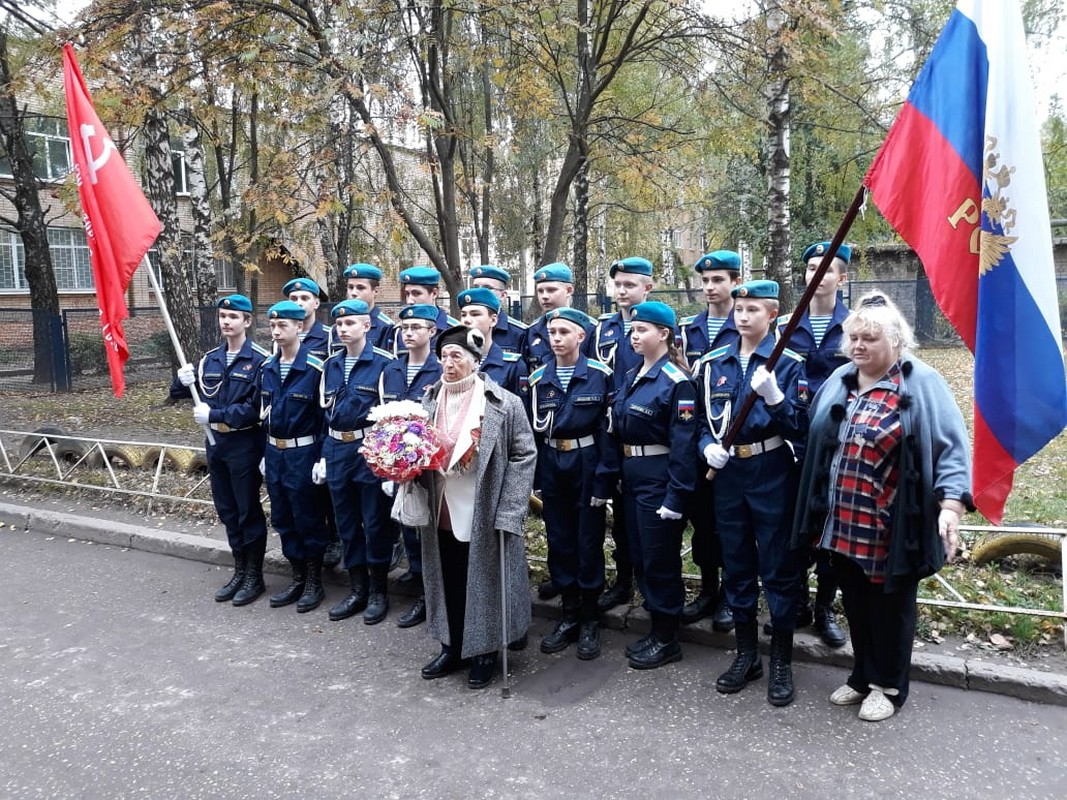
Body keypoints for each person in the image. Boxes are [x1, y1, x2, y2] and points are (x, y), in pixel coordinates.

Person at [792, 291, 972, 721]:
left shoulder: (921, 382)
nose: (858, 346)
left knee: (890, 607)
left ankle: (889, 686)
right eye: (853, 337)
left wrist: (950, 506)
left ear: (896, 340)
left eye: (869, 338)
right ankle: (861, 676)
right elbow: (816, 443)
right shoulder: (840, 380)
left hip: (892, 525)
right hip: (841, 522)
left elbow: (952, 449)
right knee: (854, 601)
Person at [695, 279, 808, 706]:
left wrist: (776, 398)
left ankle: (780, 659)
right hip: (728, 477)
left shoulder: (789, 363)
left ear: (772, 314)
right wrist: (706, 447)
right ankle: (746, 654)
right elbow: (701, 424)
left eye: (753, 310)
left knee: (777, 566)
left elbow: (801, 428)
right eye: (739, 310)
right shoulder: (712, 363)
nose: (742, 317)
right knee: (737, 563)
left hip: (771, 471)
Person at [416, 325, 537, 689]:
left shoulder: (503, 402)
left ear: (475, 361)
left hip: (484, 508)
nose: (448, 364)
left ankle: (484, 651)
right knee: (447, 576)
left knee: (482, 579)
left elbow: (524, 455)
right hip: (440, 506)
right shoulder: (427, 401)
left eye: (457, 357)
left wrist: (511, 510)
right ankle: (451, 646)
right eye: (444, 357)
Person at [775, 240, 854, 648]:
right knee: (792, 524)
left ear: (843, 278)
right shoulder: (785, 324)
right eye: (809, 268)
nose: (816, 276)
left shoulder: (856, 326)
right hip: (792, 439)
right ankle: (796, 602)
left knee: (830, 524)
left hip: (838, 441)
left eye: (826, 269)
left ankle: (825, 606)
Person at [611, 301, 697, 670]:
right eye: (632, 330)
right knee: (642, 556)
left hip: (659, 477)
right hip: (632, 475)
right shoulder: (632, 376)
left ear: (664, 334)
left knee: (660, 559)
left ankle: (667, 637)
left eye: (642, 330)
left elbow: (684, 445)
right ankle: (656, 627)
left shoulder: (677, 382)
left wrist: (677, 494)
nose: (634, 336)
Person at [529, 307, 616, 660]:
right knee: (559, 538)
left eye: (565, 332)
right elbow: (531, 435)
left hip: (587, 462)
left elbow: (608, 432)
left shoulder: (600, 375)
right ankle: (568, 614)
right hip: (552, 462)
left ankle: (590, 617)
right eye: (552, 332)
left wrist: (604, 479)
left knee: (588, 539)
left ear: (581, 336)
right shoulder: (537, 379)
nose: (556, 338)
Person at [174, 294, 270, 606]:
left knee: (247, 510)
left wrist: (215, 415)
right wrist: (180, 380)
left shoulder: (260, 360)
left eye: (233, 317)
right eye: (222, 317)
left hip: (244, 443)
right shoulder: (210, 360)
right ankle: (239, 569)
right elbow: (186, 392)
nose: (226, 322)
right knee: (227, 510)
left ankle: (255, 576)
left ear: (247, 321)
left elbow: (255, 409)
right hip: (216, 445)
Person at [314, 299, 403, 625]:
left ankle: (379, 592)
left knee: (375, 522)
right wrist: (324, 456)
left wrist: (390, 464)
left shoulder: (384, 364)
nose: (343, 329)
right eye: (339, 324)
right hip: (337, 449)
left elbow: (393, 418)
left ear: (367, 326)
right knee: (347, 524)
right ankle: (358, 589)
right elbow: (326, 415)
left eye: (350, 323)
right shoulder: (330, 366)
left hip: (369, 448)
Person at [520, 261, 597, 603]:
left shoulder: (592, 334)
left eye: (552, 289)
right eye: (540, 290)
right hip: (552, 452)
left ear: (569, 289)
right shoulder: (533, 337)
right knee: (558, 532)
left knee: (588, 534)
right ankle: (567, 600)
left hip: (586, 455)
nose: (545, 295)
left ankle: (590, 608)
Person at [678, 251, 742, 632]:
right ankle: (708, 589)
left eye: (717, 280)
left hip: (736, 443)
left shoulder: (745, 323)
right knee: (703, 522)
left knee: (733, 525)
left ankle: (734, 596)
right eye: (704, 281)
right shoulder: (690, 329)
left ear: (735, 282)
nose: (709, 288)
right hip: (697, 440)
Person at [594, 256, 655, 613]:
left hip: (645, 431)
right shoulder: (603, 329)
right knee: (620, 516)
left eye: (630, 285)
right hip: (609, 431)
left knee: (647, 521)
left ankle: (650, 587)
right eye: (617, 284)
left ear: (647, 287)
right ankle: (622, 580)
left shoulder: (659, 323)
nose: (622, 291)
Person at [260, 300, 328, 613]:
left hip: (304, 452)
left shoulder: (315, 369)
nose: (277, 331)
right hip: (276, 453)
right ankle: (297, 576)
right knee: (284, 517)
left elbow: (325, 418)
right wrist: (265, 451)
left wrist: (322, 457)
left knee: (307, 517)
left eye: (283, 325)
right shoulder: (268, 369)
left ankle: (315, 581)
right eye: (273, 325)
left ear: (299, 327)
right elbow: (265, 414)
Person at [381, 304, 444, 628]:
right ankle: (417, 579)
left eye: (417, 327)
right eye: (405, 328)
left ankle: (429, 597)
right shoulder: (391, 369)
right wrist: (388, 463)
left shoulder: (440, 370)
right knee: (409, 523)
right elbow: (382, 415)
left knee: (429, 531)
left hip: (432, 464)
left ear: (432, 331)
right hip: (400, 464)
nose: (409, 333)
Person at [282, 276, 343, 569]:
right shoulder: (280, 336)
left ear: (316, 303)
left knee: (325, 487)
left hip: (321, 416)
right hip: (294, 420)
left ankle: (333, 538)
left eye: (304, 299)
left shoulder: (329, 336)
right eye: (293, 300)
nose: (298, 304)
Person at [456, 287, 529, 399]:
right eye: (463, 315)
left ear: (493, 320)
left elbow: (521, 412)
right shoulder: (453, 362)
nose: (467, 320)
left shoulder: (513, 366)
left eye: (475, 314)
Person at [396, 266, 459, 351]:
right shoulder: (398, 331)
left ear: (434, 293)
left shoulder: (456, 331)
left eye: (416, 293)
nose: (409, 301)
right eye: (407, 294)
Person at [468, 264, 527, 355]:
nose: (479, 293)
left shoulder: (519, 333)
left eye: (487, 288)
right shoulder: (462, 330)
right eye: (475, 288)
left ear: (503, 295)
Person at [343, 263, 396, 351]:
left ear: (375, 291)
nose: (353, 293)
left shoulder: (387, 327)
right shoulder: (339, 326)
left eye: (360, 288)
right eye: (350, 287)